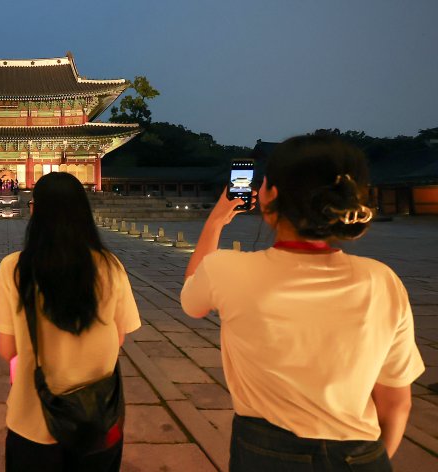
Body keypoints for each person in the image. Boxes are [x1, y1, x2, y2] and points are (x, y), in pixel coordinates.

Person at [180, 135, 425, 471]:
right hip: (362, 454)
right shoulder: (381, 280)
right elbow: (396, 403)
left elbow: (192, 301)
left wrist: (217, 219)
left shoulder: (226, 269)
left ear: (271, 196)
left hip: (267, 453)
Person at [0, 172, 141, 471]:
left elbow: (7, 350)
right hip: (97, 418)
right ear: (84, 213)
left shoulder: (15, 268)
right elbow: (120, 337)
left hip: (33, 418)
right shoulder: (111, 266)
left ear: (35, 211)